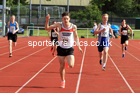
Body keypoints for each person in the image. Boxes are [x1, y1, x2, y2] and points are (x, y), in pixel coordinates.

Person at [45, 12, 83, 88]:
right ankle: (63, 81)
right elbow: (47, 28)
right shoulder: (59, 25)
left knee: (71, 65)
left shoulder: (73, 26)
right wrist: (47, 20)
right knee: (62, 66)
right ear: (62, 19)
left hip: (69, 48)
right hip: (61, 48)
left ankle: (67, 60)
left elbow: (76, 37)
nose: (66, 20)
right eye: (64, 19)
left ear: (69, 19)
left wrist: (79, 47)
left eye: (67, 19)